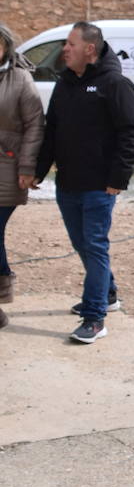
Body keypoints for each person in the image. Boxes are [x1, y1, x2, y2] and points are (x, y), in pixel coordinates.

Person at [34, 21, 134, 343]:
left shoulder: (115, 84)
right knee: (83, 244)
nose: (64, 50)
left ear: (89, 49)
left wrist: (118, 178)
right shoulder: (65, 83)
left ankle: (95, 318)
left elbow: (131, 132)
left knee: (95, 245)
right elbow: (51, 130)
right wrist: (39, 171)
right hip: (68, 183)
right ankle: (107, 295)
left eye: (70, 44)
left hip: (99, 185)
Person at [0, 23, 45, 331]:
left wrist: (27, 168)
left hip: (8, 166)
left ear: (6, 47)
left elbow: (35, 126)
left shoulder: (20, 79)